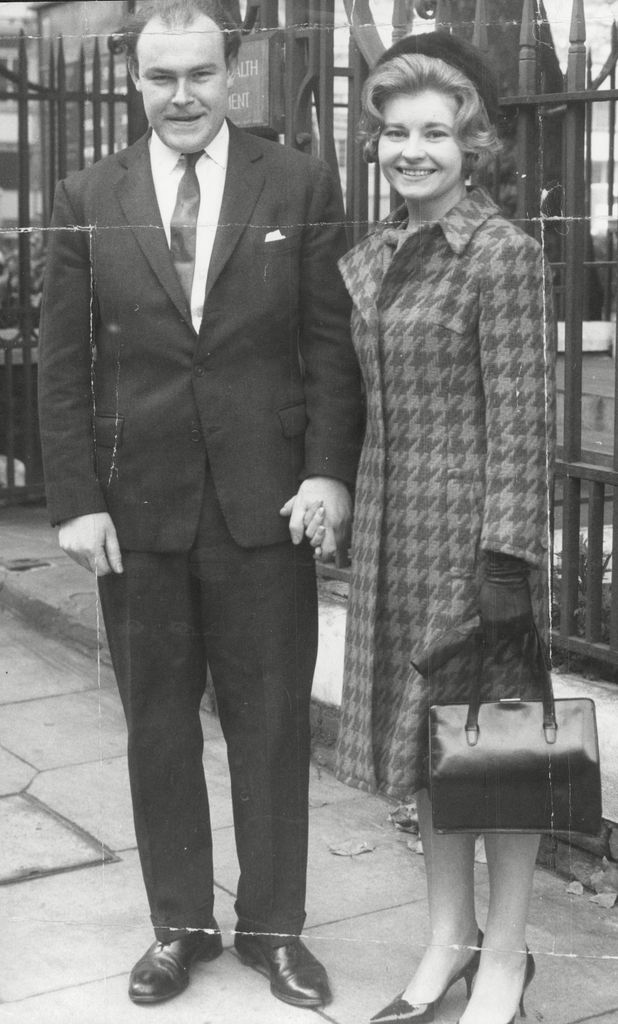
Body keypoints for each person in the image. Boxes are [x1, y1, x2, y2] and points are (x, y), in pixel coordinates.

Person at [38, 0, 362, 1010]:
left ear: (233, 74)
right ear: (136, 80)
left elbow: (329, 345)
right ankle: (179, 923)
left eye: (200, 74)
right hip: (139, 514)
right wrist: (76, 499)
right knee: (158, 727)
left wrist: (328, 472)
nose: (181, 95)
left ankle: (275, 928)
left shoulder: (299, 180)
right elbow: (60, 364)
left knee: (270, 725)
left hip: (266, 507)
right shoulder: (89, 191)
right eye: (160, 76)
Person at [332, 32, 555, 1024]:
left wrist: (505, 557)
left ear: (473, 142)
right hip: (392, 527)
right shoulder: (374, 254)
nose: (412, 147)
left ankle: (504, 958)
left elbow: (523, 414)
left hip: (471, 539)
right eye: (394, 131)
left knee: (498, 751)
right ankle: (446, 941)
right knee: (430, 750)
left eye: (435, 130)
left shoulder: (502, 253)